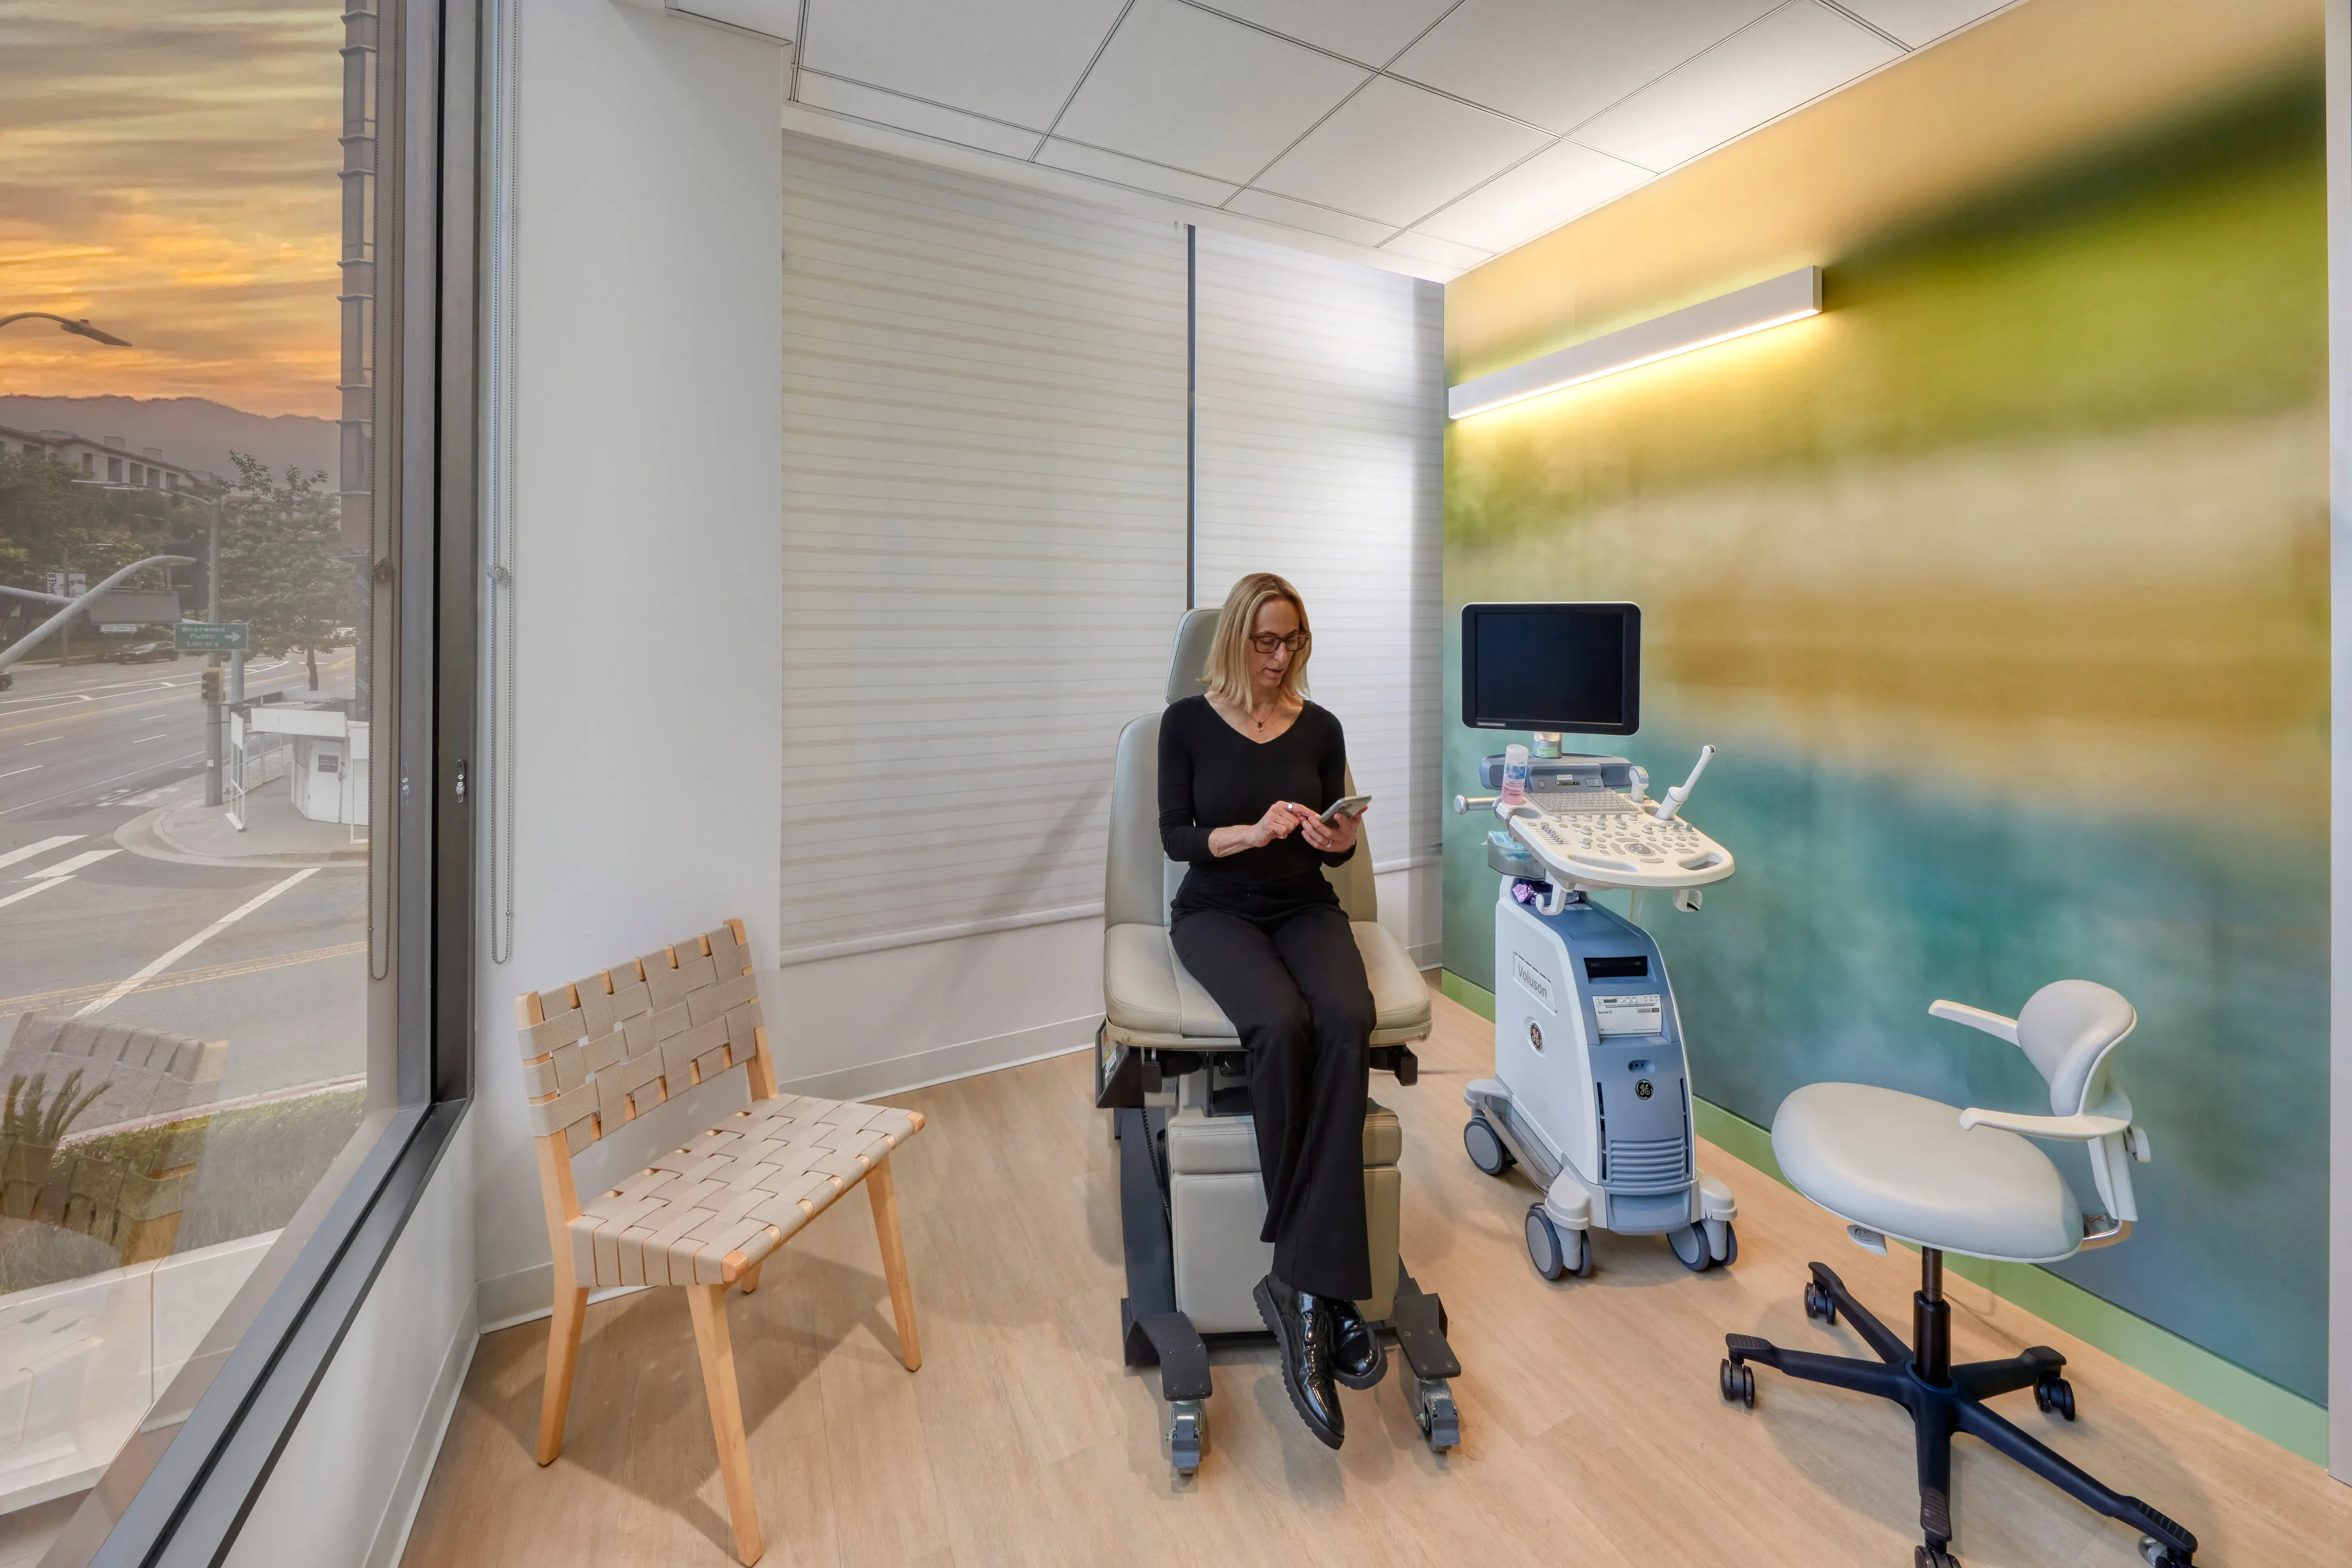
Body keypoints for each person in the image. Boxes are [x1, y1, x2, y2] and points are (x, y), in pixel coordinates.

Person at [1158, 571, 1380, 1450]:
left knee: (1346, 1016)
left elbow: (1337, 848)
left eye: (1293, 641)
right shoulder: (1183, 724)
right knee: (1279, 1024)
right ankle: (1326, 1293)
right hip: (1215, 912)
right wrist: (1248, 833)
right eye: (1266, 640)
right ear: (1235, 640)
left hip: (1302, 907)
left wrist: (1339, 837)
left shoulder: (1320, 727)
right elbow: (1174, 835)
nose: (1281, 657)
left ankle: (1298, 1283)